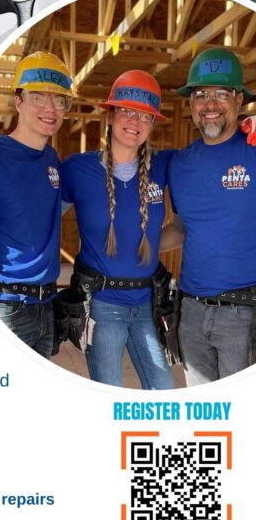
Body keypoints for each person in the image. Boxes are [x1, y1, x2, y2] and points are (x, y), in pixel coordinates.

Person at [0, 51, 74, 357]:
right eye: (38, 97)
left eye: (59, 100)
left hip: (46, 305)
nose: (50, 108)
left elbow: (41, 211)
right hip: (6, 307)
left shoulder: (51, 159)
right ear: (19, 101)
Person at [60, 71, 175, 389]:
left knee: (164, 389)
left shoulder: (164, 166)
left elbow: (210, 159)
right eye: (126, 110)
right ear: (110, 114)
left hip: (146, 305)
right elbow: (40, 221)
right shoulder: (77, 169)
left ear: (152, 124)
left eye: (145, 116)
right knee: (108, 392)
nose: (135, 121)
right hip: (102, 305)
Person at [166, 47, 256, 384]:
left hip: (245, 315)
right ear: (190, 103)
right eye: (202, 94)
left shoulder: (253, 148)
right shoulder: (181, 163)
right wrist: (133, 248)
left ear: (238, 101)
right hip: (189, 313)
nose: (211, 104)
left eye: (222, 94)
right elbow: (182, 229)